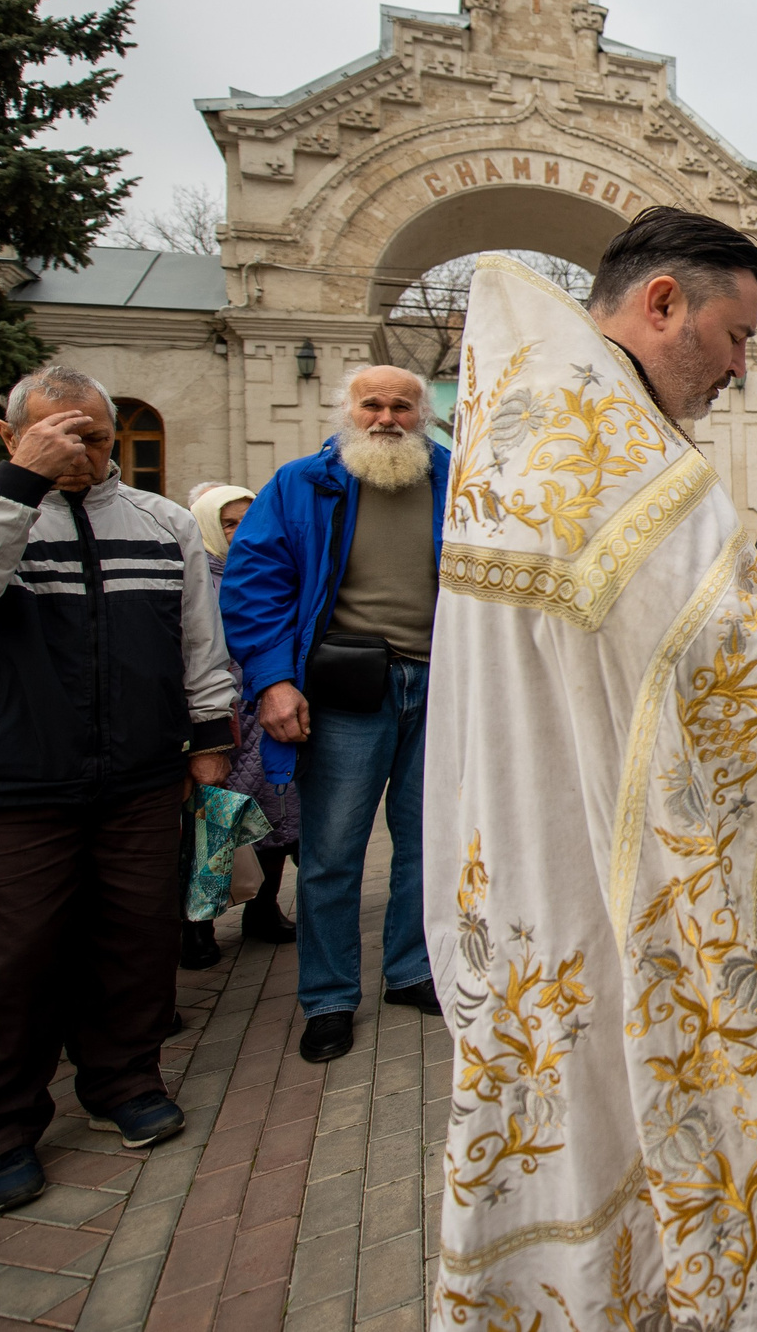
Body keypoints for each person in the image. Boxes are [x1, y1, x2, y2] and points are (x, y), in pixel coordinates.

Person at [426, 216, 757, 1332]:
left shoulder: (561, 416)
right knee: (703, 1075)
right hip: (635, 838)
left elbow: (656, 628)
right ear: (663, 302)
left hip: (568, 822)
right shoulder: (603, 434)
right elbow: (688, 645)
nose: (744, 364)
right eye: (735, 332)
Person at [0, 366, 234, 1214]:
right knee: (5, 965)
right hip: (6, 788)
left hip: (140, 779)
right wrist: (21, 484)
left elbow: (198, 634)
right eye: (56, 435)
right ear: (10, 436)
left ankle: (124, 1081)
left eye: (94, 437)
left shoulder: (158, 525)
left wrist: (210, 736)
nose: (79, 452)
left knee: (134, 940)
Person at [220, 365, 447, 1065]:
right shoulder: (302, 483)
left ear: (423, 413)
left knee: (425, 841)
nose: (386, 417)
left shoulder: (462, 481)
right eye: (371, 403)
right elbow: (254, 583)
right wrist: (272, 681)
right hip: (348, 691)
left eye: (401, 405)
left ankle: (410, 968)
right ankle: (327, 996)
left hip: (442, 685)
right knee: (332, 850)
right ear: (348, 410)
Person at [189, 485, 297, 950]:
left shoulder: (269, 572)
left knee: (277, 822)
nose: (239, 531)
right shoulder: (196, 577)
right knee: (218, 824)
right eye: (228, 522)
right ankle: (198, 929)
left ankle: (263, 911)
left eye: (247, 520)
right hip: (223, 721)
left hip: (268, 716)